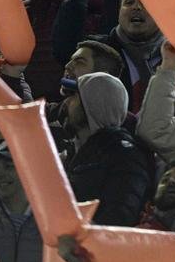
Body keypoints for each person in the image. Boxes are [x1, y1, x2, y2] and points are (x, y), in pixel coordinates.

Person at [62, 72, 156, 227]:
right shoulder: (78, 152)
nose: (65, 103)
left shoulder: (125, 156)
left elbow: (120, 217)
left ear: (93, 104)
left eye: (74, 97)